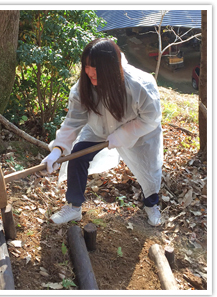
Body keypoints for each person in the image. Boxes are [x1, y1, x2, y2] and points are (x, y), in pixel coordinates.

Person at [42, 38, 163, 227]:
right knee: (77, 156)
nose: (89, 72)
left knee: (149, 168)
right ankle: (74, 207)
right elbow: (73, 121)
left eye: (95, 67)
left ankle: (151, 204)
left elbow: (150, 118)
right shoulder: (83, 87)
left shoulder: (140, 85)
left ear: (110, 67)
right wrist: (57, 149)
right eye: (86, 66)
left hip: (140, 133)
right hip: (99, 128)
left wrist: (122, 135)